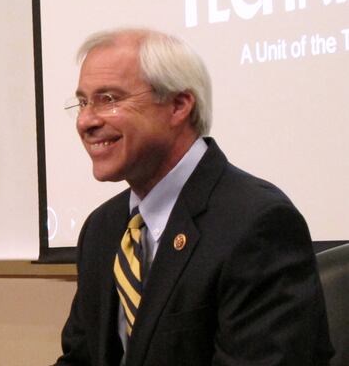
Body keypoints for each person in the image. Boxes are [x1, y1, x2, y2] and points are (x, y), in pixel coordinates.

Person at [55, 28, 333, 366]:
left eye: (109, 99)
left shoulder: (257, 224)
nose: (86, 121)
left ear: (178, 105)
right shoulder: (102, 229)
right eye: (83, 102)